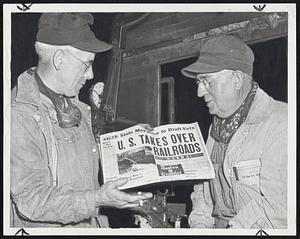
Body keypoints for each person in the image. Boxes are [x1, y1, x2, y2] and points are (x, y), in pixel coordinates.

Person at [10, 13, 152, 228]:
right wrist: (98, 199)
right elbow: (33, 200)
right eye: (86, 65)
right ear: (59, 59)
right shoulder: (18, 116)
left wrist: (132, 139)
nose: (91, 74)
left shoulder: (76, 107)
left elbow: (85, 159)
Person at [181, 34, 287, 229]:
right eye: (198, 83)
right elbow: (203, 193)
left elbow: (279, 208)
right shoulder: (216, 126)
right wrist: (199, 227)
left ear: (237, 79)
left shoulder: (282, 121)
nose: (199, 92)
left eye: (206, 81)